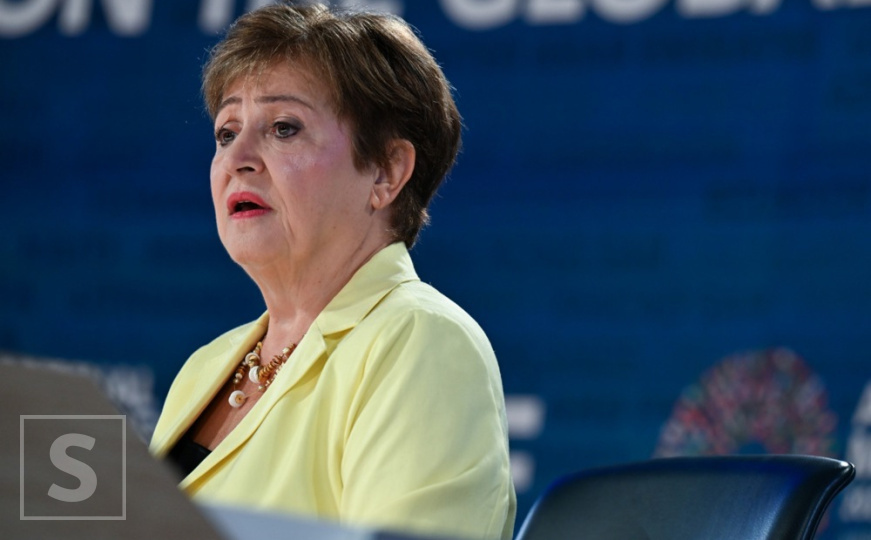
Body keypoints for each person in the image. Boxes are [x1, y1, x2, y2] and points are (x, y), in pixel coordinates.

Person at [148, 3, 516, 539]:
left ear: (386, 172)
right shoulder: (205, 368)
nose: (237, 158)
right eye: (226, 133)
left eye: (283, 128)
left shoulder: (420, 341)